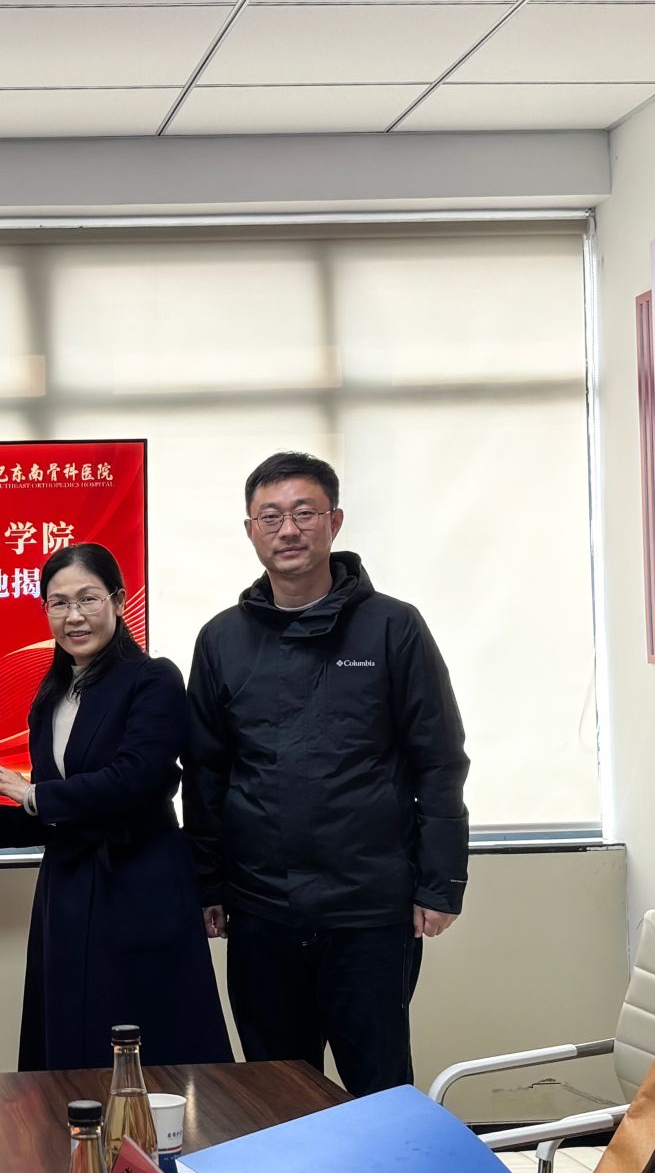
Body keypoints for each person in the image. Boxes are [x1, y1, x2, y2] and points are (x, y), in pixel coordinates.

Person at [185, 450, 469, 1096]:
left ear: (334, 522)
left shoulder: (394, 626)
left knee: (379, 1087)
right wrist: (207, 884)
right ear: (251, 530)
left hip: (369, 907)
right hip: (261, 907)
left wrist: (440, 881)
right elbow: (204, 771)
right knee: (275, 1089)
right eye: (271, 516)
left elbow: (438, 758)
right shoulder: (222, 639)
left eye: (304, 513)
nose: (288, 530)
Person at [0, 543, 232, 1072]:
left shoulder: (153, 678)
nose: (74, 616)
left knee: (155, 1054)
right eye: (59, 603)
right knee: (71, 1053)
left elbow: (137, 779)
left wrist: (33, 795)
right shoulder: (50, 695)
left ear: (118, 601)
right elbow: (55, 815)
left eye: (88, 599)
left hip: (140, 887)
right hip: (67, 893)